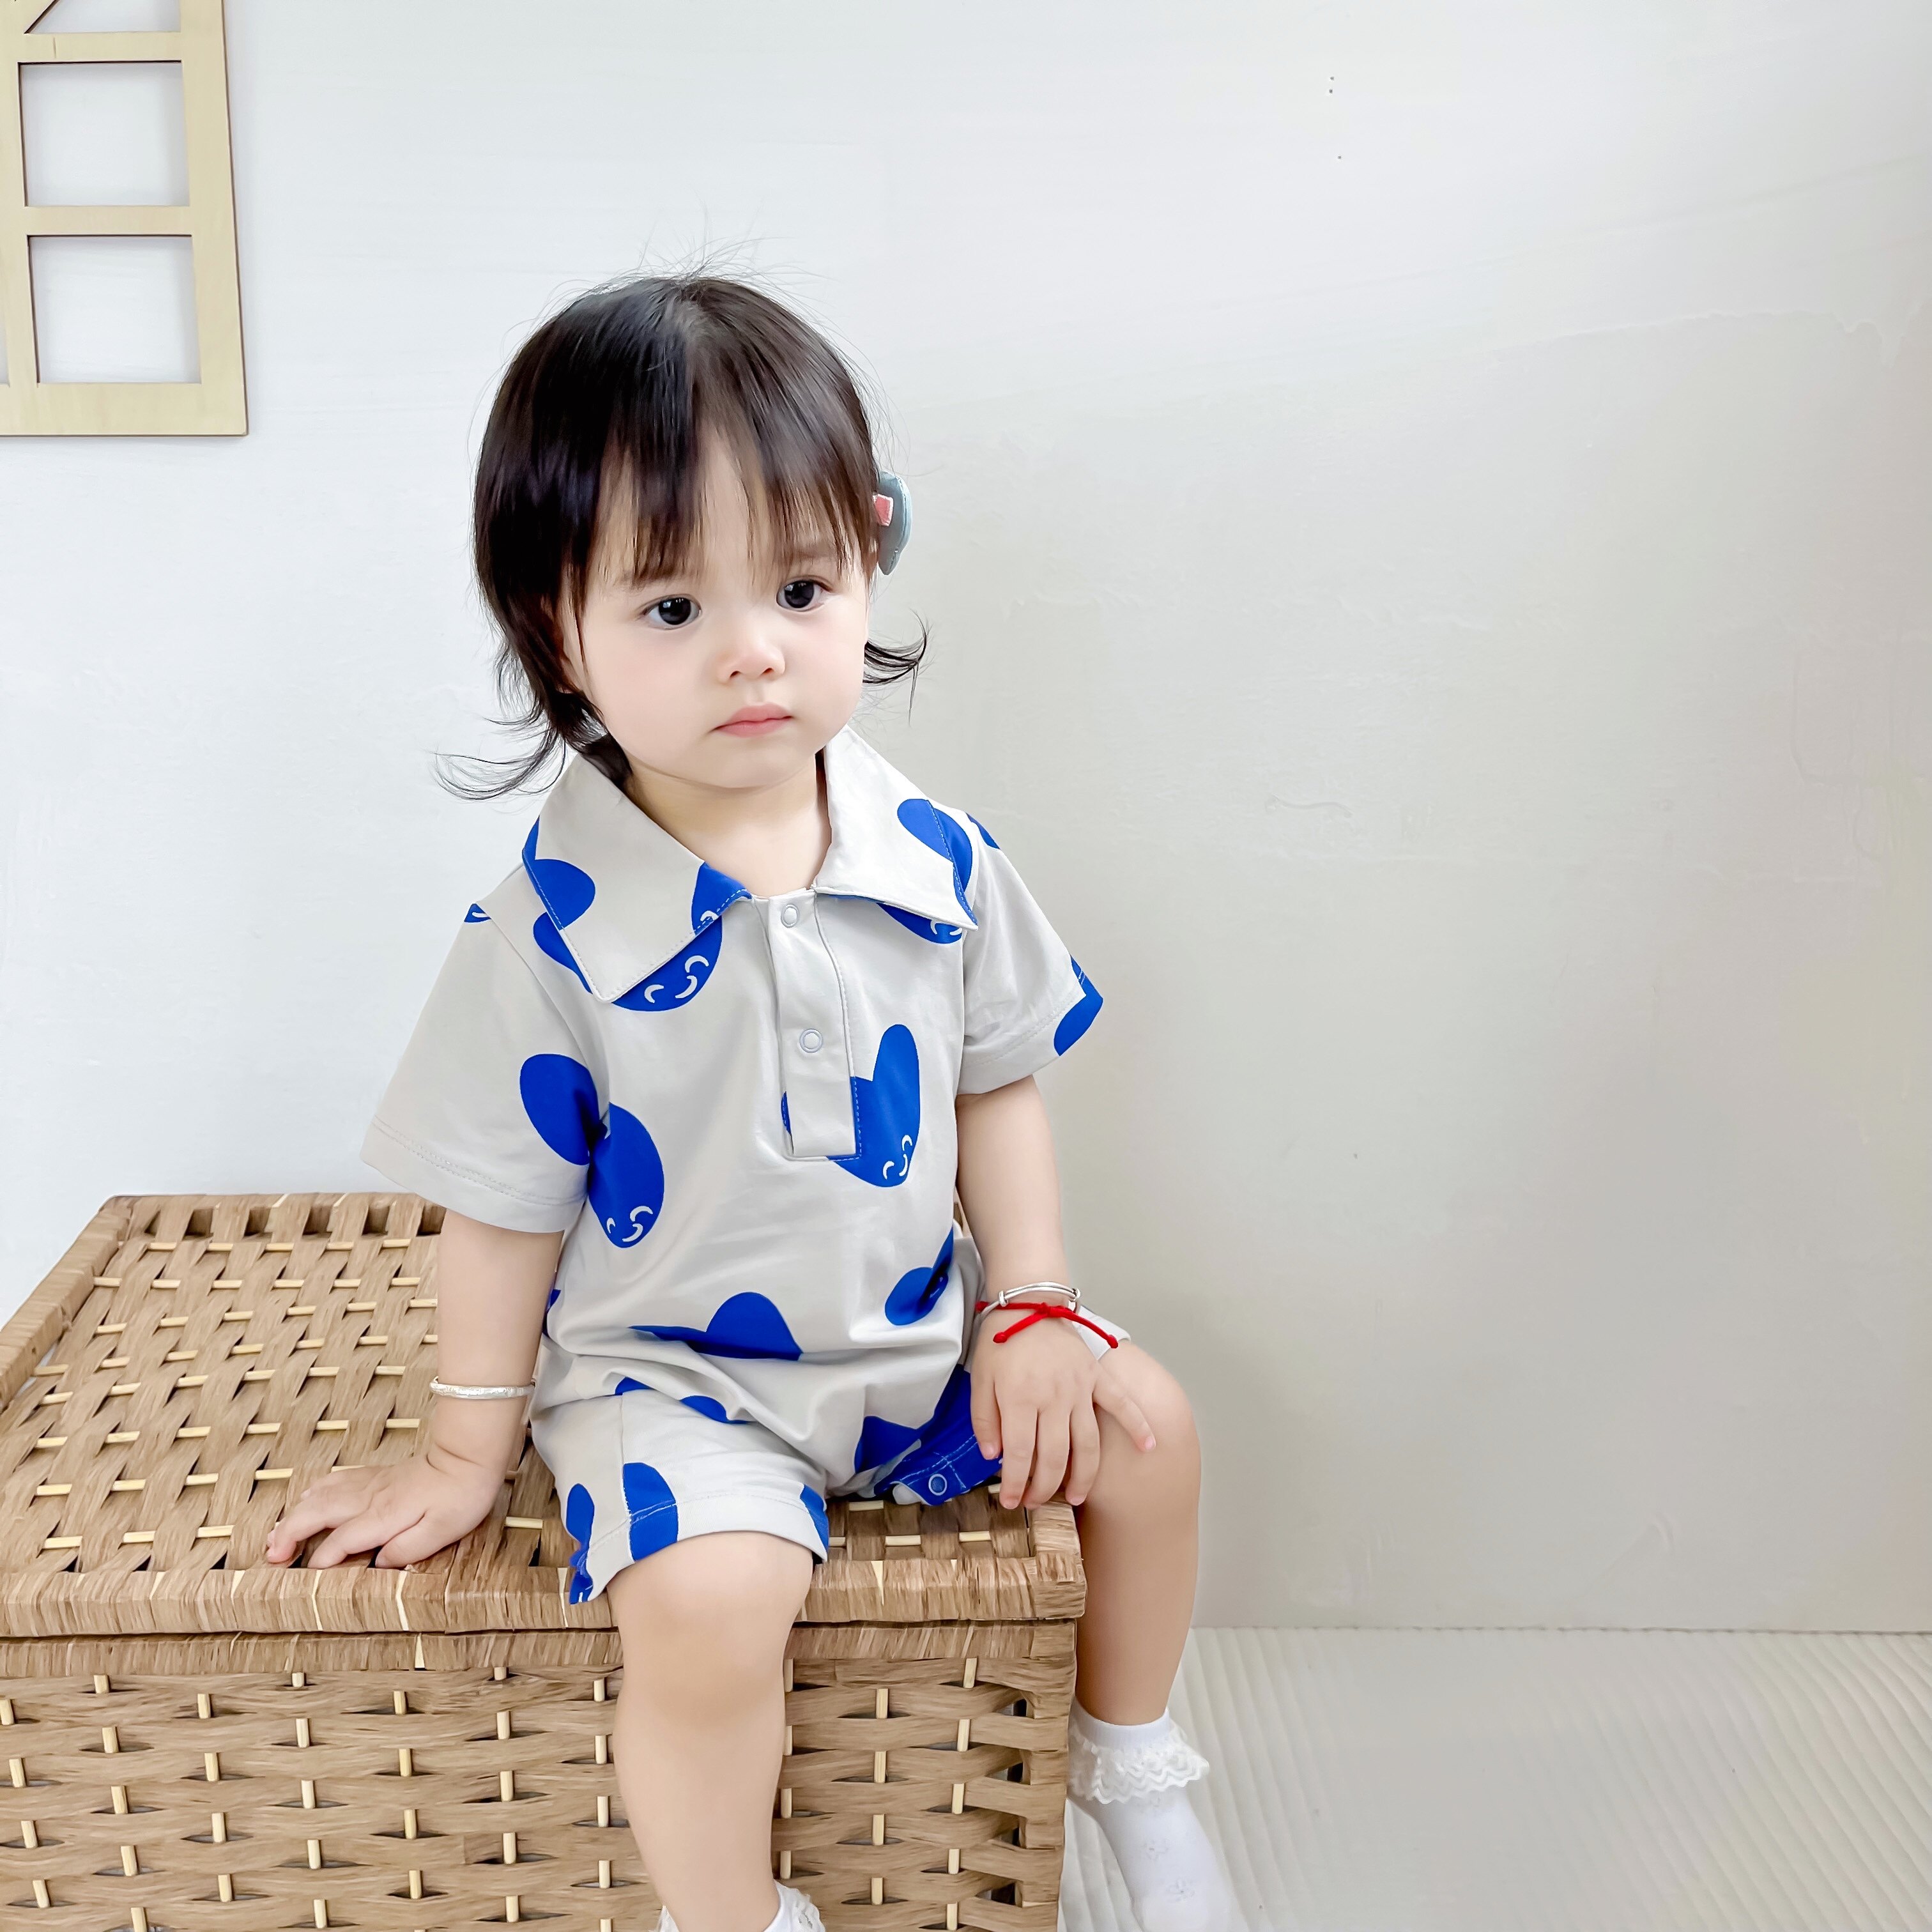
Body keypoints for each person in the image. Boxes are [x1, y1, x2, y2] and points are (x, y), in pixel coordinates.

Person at [264, 271, 1241, 1932]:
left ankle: (1132, 1760)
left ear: (869, 555)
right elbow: (500, 1207)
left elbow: (995, 1083)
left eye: (798, 585)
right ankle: (728, 1910)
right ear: (554, 628)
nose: (753, 651)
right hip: (678, 1383)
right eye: (670, 607)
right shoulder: (549, 931)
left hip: (913, 1341)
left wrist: (1032, 1303)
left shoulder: (933, 860)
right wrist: (458, 1448)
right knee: (713, 1607)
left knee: (1150, 1433)